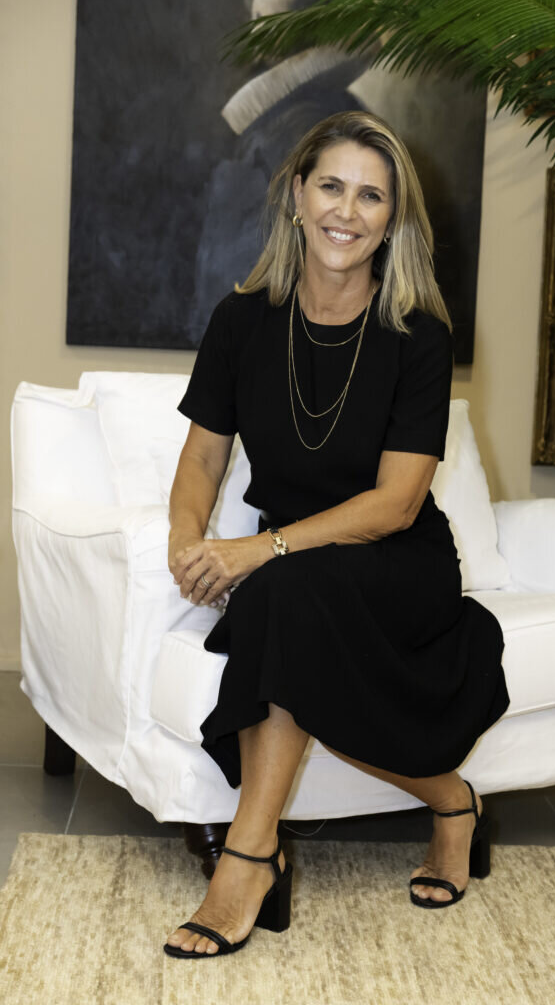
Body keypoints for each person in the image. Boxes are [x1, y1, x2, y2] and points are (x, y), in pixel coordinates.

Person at [164, 110, 509, 959]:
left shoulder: (418, 334)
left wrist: (258, 548)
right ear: (296, 195)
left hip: (399, 563)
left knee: (279, 594)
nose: (346, 212)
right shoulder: (241, 321)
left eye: (370, 196)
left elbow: (395, 503)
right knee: (284, 602)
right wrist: (185, 541)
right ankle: (450, 799)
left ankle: (248, 858)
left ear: (392, 220)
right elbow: (203, 456)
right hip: (298, 569)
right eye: (330, 187)